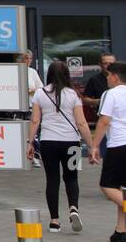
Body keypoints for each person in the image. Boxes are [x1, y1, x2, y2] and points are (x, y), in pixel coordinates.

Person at [26, 60, 93, 232]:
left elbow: (35, 120)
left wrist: (30, 142)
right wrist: (92, 146)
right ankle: (73, 208)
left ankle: (54, 221)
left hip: (49, 144)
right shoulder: (74, 95)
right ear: (67, 75)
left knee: (52, 180)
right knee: (72, 178)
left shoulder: (40, 94)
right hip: (72, 143)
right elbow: (82, 123)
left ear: (49, 74)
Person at [89, 61, 126, 242]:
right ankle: (121, 231)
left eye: (109, 76)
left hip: (119, 145)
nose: (107, 79)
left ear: (115, 77)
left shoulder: (111, 94)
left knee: (107, 186)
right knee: (123, 190)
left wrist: (94, 146)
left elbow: (104, 121)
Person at [80, 52, 117, 125]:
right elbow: (85, 100)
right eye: (105, 63)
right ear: (100, 64)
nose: (108, 66)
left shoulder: (123, 78)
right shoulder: (94, 80)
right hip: (103, 119)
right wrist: (101, 101)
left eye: (111, 63)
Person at [25, 50, 44, 167]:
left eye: (29, 59)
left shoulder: (32, 72)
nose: (27, 61)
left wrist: (32, 91)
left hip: (31, 105)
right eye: (25, 58)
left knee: (33, 133)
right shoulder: (13, 71)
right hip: (18, 108)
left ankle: (36, 157)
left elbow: (41, 88)